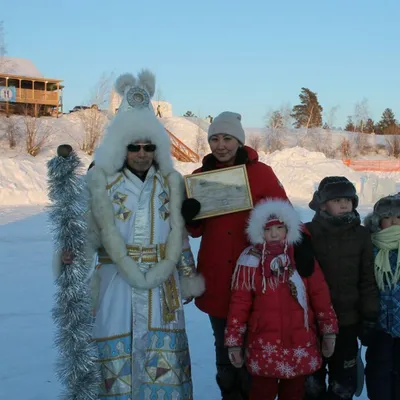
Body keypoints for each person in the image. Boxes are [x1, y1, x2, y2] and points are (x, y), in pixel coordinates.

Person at [53, 69, 205, 399]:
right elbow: (88, 230)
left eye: (148, 146)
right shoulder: (102, 182)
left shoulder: (172, 183)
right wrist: (73, 253)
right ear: (122, 147)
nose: (141, 153)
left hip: (161, 286)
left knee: (161, 362)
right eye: (133, 146)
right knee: (113, 357)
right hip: (114, 283)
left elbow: (179, 237)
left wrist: (188, 275)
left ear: (157, 148)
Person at [181, 111, 315, 399]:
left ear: (239, 141)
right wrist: (190, 217)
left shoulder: (260, 173)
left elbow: (285, 213)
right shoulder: (201, 178)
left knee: (257, 343)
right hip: (217, 277)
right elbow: (196, 231)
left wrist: (302, 243)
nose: (221, 145)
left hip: (258, 278)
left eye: (227, 138)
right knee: (224, 344)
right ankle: (230, 391)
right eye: (214, 139)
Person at [224, 199, 338, 400]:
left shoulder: (302, 257)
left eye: (280, 228)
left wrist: (329, 331)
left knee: (294, 393)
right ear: (259, 231)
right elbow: (239, 304)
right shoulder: (250, 262)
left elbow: (320, 296)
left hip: (299, 343)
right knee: (261, 392)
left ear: (289, 229)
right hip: (263, 344)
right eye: (269, 229)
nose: (275, 234)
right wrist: (234, 341)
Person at [304, 176, 379, 400]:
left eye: (348, 199)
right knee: (310, 383)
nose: (345, 204)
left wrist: (369, 316)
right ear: (322, 204)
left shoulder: (362, 235)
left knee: (343, 383)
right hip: (313, 323)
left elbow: (368, 279)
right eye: (337, 200)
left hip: (348, 322)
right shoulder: (307, 233)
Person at [364, 194, 400, 400]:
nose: (394, 222)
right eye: (388, 217)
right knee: (378, 371)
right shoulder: (370, 246)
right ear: (378, 221)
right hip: (379, 324)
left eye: (399, 217)